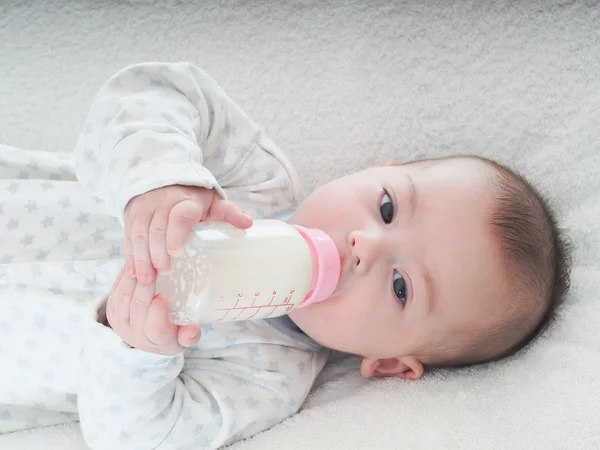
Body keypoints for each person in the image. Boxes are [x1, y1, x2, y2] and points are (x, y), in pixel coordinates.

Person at [0, 62, 570, 449]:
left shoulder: (268, 378)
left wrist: (137, 352)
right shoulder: (250, 181)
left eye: (402, 287)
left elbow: (140, 437)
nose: (366, 245)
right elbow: (155, 90)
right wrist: (161, 178)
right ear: (378, 171)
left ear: (392, 364)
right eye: (389, 208)